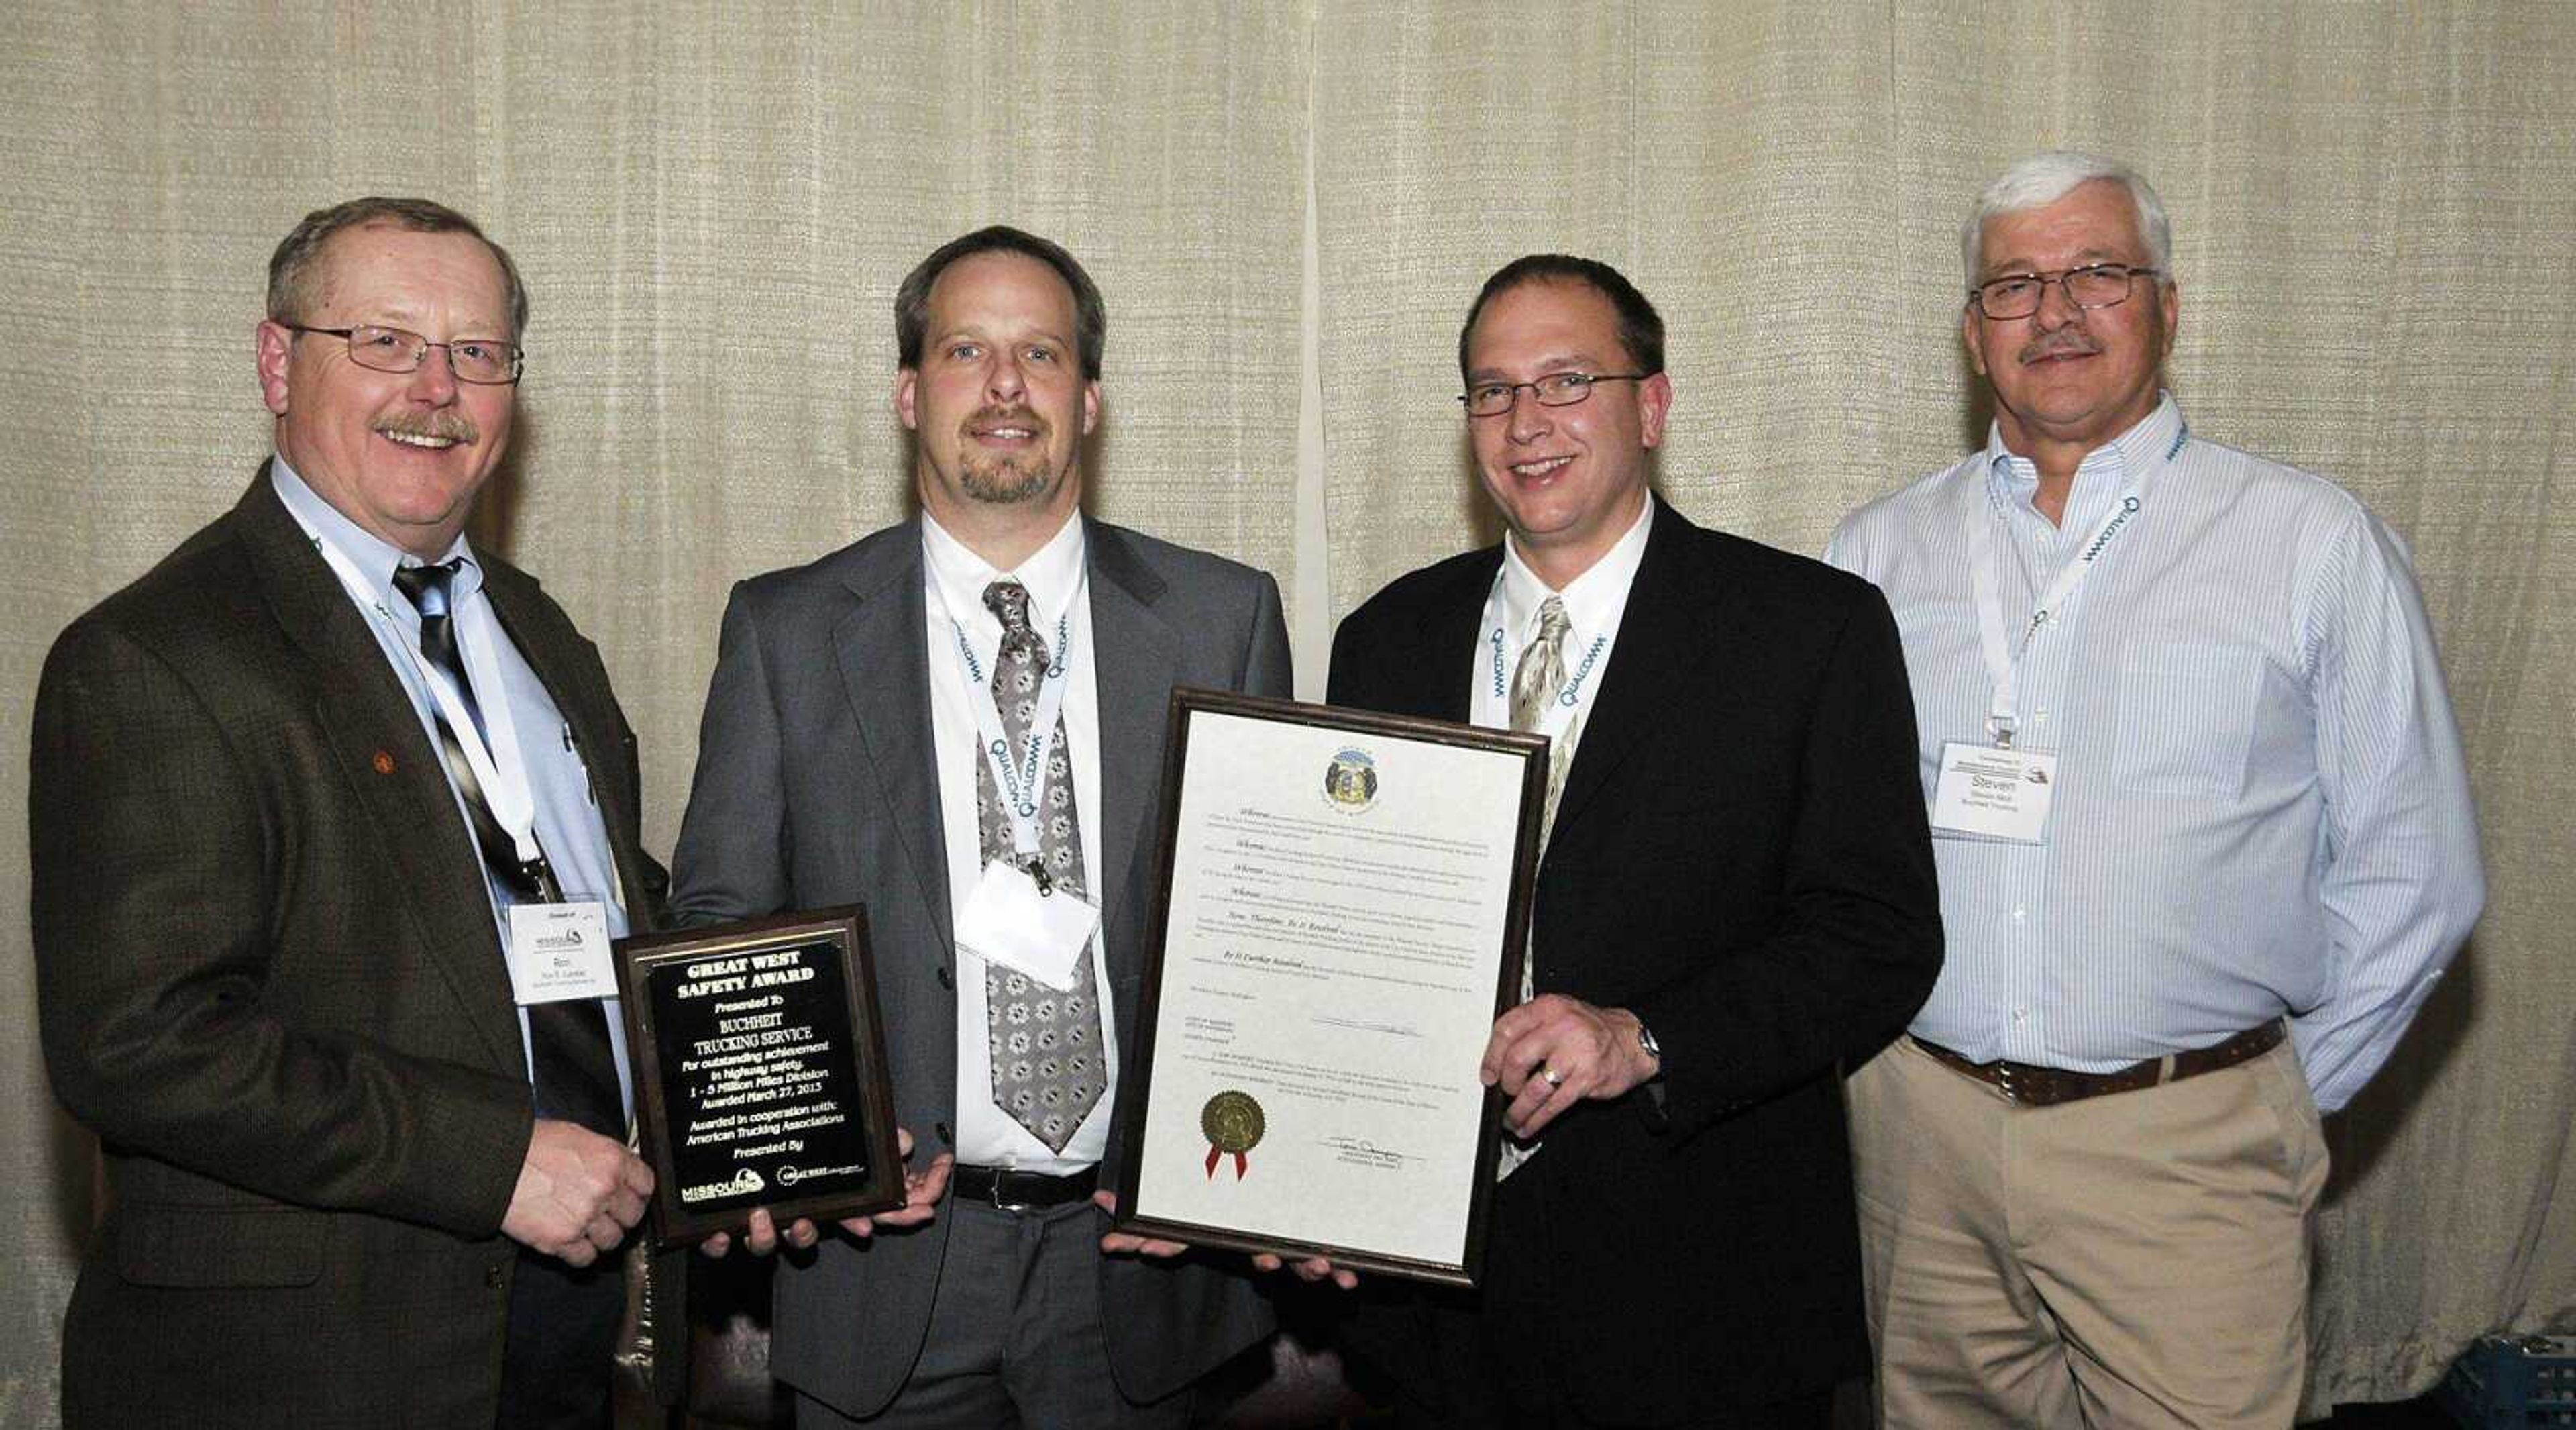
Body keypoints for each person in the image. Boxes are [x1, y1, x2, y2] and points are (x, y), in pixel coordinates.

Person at [1825, 151, 2485, 1427]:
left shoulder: (2309, 540)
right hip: (1921, 1143)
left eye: (2099, 273)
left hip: (2185, 1154)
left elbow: (2419, 873)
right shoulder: (1877, 549)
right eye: (2015, 284)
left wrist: (2275, 1100)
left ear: (2168, 307)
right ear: (1972, 335)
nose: (2056, 311)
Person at [33, 197, 667, 1427]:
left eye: (477, 355)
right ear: (279, 362)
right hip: (313, 1367)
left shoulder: (535, 630)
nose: (437, 389)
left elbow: (598, 909)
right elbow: (140, 1042)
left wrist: (773, 1102)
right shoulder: (155, 656)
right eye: (385, 341)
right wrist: (496, 1163)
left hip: (561, 1333)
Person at [670, 225, 1287, 1427]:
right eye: (967, 351)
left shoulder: (1223, 616)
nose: (1006, 385)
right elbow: (722, 922)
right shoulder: (788, 631)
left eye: (1041, 354)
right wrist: (805, 1142)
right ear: (909, 394)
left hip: (1134, 1264)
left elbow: (1268, 928)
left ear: (1090, 400)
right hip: (886, 1266)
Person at [1322, 254, 1943, 1427]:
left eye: (1567, 381)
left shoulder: (1808, 631)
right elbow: (1344, 934)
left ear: (1651, 406)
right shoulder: (1388, 637)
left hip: (1702, 1278)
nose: (1526, 423)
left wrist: (1645, 1037)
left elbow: (1877, 937)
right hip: (1438, 1298)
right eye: (1493, 391)